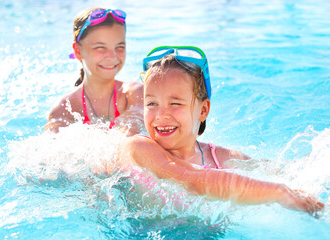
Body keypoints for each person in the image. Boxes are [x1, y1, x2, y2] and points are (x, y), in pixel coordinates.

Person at [117, 46, 324, 215]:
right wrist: (279, 192)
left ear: (203, 110)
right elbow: (190, 180)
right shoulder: (139, 147)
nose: (161, 115)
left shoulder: (221, 158)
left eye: (175, 103)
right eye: (152, 104)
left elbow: (284, 171)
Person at [45, 8, 143, 134]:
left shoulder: (134, 94)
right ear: (78, 51)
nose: (112, 57)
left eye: (120, 47)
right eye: (100, 48)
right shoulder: (65, 109)